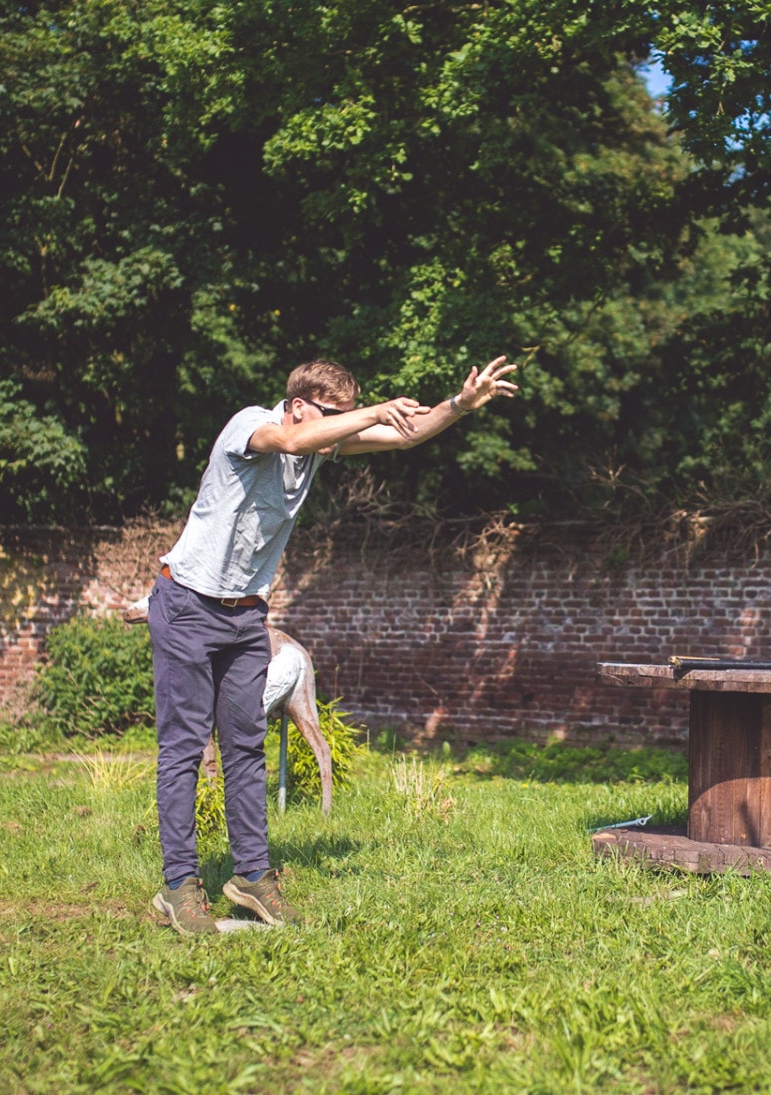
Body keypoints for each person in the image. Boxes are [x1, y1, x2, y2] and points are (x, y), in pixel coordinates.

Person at [147, 355, 518, 935]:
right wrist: (365, 413)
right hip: (187, 606)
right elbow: (292, 443)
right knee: (185, 750)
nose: (344, 428)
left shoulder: (321, 438)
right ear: (298, 406)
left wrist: (458, 406)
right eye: (333, 416)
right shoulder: (252, 425)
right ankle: (179, 887)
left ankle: (251, 876)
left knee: (245, 748)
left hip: (247, 616)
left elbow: (402, 436)